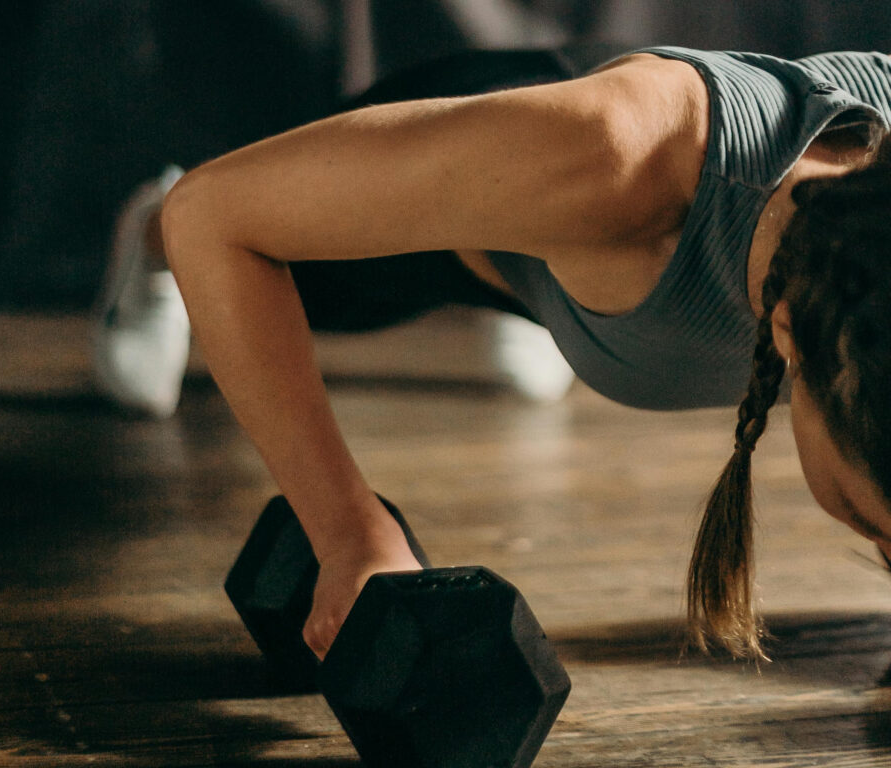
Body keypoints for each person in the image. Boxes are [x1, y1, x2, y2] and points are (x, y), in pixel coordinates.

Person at [132, 46, 891, 662]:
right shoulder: (625, 161)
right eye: (877, 532)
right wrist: (348, 536)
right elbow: (212, 215)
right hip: (503, 158)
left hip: (577, 227)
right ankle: (136, 233)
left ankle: (553, 298)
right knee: (199, 228)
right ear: (790, 334)